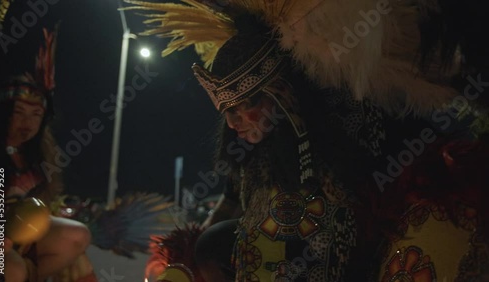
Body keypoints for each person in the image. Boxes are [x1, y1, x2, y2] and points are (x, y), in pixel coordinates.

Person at [126, 0, 489, 281]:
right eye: (226, 114)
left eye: (243, 107)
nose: (234, 123)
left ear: (279, 94)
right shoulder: (254, 156)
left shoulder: (348, 120)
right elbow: (229, 208)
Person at [0, 30, 94, 282]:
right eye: (20, 112)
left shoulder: (34, 154)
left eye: (36, 115)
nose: (28, 122)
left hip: (18, 236)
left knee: (77, 236)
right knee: (9, 269)